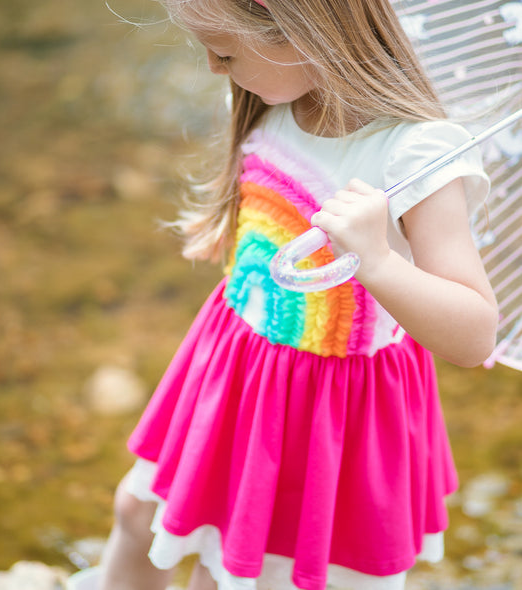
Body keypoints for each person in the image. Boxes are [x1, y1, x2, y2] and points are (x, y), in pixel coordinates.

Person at [96, 0, 499, 589]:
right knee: (140, 513)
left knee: (238, 572)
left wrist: (379, 260)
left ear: (297, 31)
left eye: (225, 52)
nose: (212, 67)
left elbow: (473, 334)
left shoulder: (417, 155)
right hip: (235, 368)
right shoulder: (277, 99)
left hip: (325, 412)